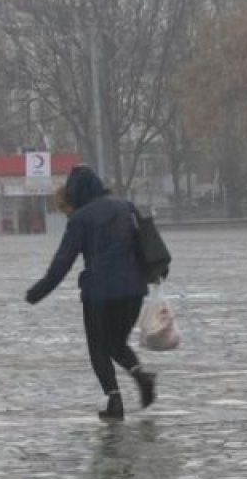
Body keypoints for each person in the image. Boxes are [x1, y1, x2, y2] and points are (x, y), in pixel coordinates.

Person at [26, 166, 157, 421]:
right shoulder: (126, 206)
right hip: (133, 290)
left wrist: (38, 291)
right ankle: (141, 375)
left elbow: (63, 262)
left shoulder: (81, 218)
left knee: (98, 346)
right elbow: (148, 241)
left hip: (99, 293)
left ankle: (114, 400)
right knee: (117, 343)